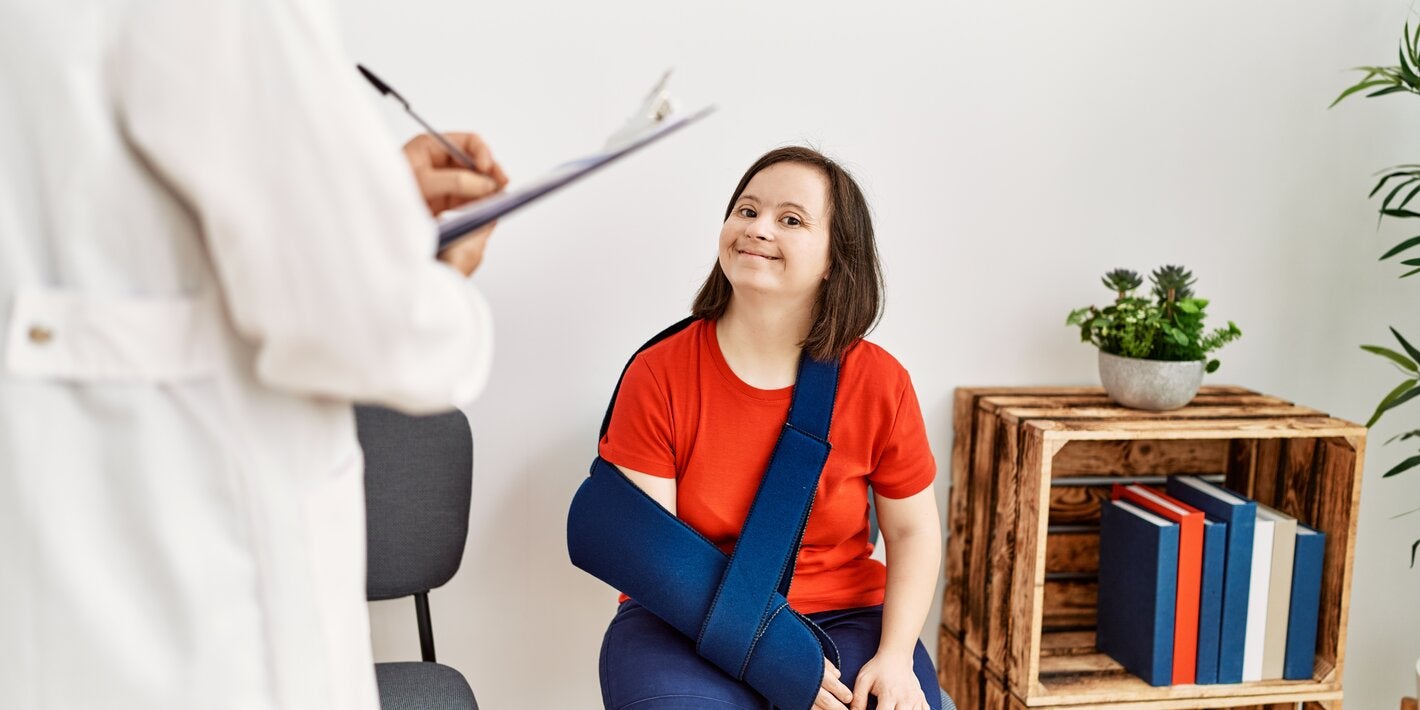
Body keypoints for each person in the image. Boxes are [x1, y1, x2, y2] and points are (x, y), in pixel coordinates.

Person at [0, 2, 506, 709]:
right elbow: (357, 323)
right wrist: (442, 284)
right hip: (211, 601)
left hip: (69, 574)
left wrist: (364, 203)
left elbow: (138, 234)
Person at [596, 146, 942, 710]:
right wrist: (778, 664)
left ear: (835, 258)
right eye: (747, 210)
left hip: (845, 617)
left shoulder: (879, 381)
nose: (757, 228)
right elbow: (653, 556)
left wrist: (896, 656)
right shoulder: (659, 373)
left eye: (790, 219)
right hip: (680, 620)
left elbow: (912, 533)